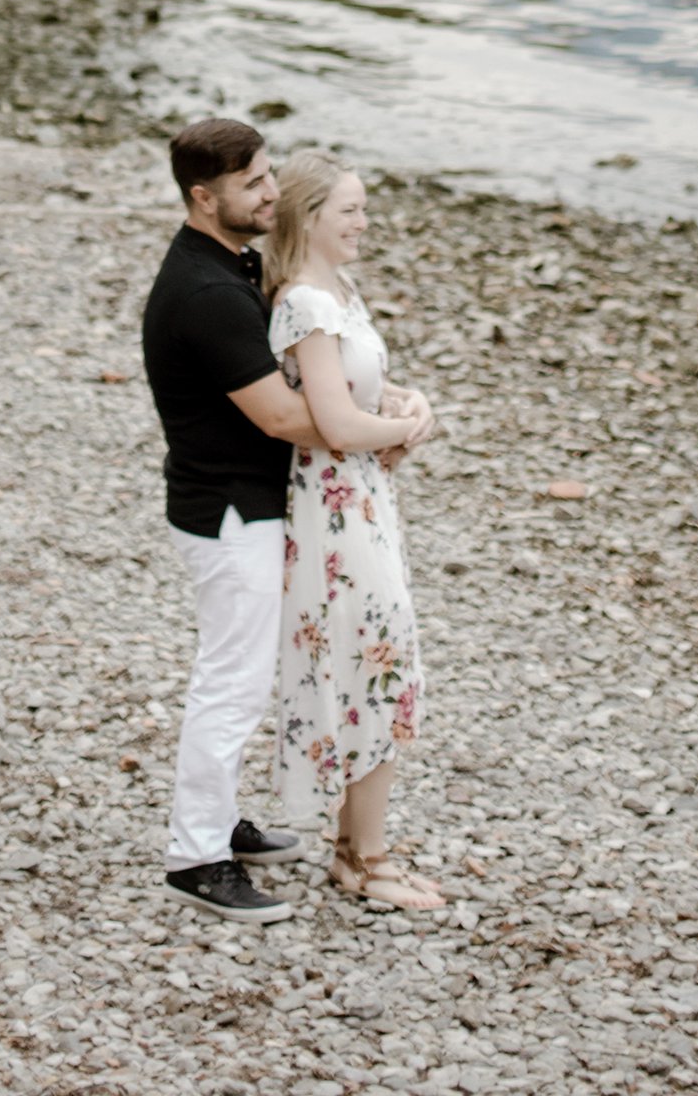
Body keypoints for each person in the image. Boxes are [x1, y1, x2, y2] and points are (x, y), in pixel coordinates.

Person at [141, 116, 425, 923]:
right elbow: (289, 419)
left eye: (270, 177)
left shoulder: (228, 265)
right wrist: (387, 424)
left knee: (243, 673)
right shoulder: (202, 291)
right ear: (205, 196)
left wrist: (361, 411)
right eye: (253, 184)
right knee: (230, 682)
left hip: (249, 503)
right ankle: (196, 855)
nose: (271, 193)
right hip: (231, 510)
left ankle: (220, 821)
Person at [264, 151, 442, 912]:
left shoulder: (341, 291)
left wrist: (410, 404)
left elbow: (357, 390)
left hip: (364, 496)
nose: (365, 223)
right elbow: (333, 423)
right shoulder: (303, 302)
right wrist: (403, 434)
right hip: (334, 508)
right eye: (351, 210)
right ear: (310, 218)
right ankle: (365, 858)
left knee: (382, 659)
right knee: (377, 663)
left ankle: (356, 847)